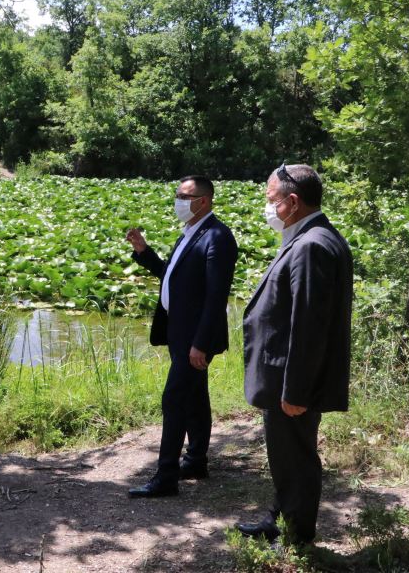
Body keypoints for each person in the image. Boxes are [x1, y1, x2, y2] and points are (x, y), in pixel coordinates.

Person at [235, 164, 353, 545]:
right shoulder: (311, 237)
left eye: (271, 200)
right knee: (287, 457)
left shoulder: (311, 245)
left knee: (297, 459)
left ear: (293, 201)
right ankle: (279, 518)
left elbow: (309, 325)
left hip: (292, 380)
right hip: (288, 376)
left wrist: (296, 391)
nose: (268, 207)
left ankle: (296, 539)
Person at [125, 175, 238, 498]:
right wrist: (144, 252)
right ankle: (197, 460)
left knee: (174, 398)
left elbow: (216, 297)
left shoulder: (218, 237)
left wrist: (201, 344)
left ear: (203, 201)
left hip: (195, 336)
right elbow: (171, 275)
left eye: (183, 196)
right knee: (194, 395)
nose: (178, 200)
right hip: (178, 330)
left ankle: (166, 477)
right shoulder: (191, 233)